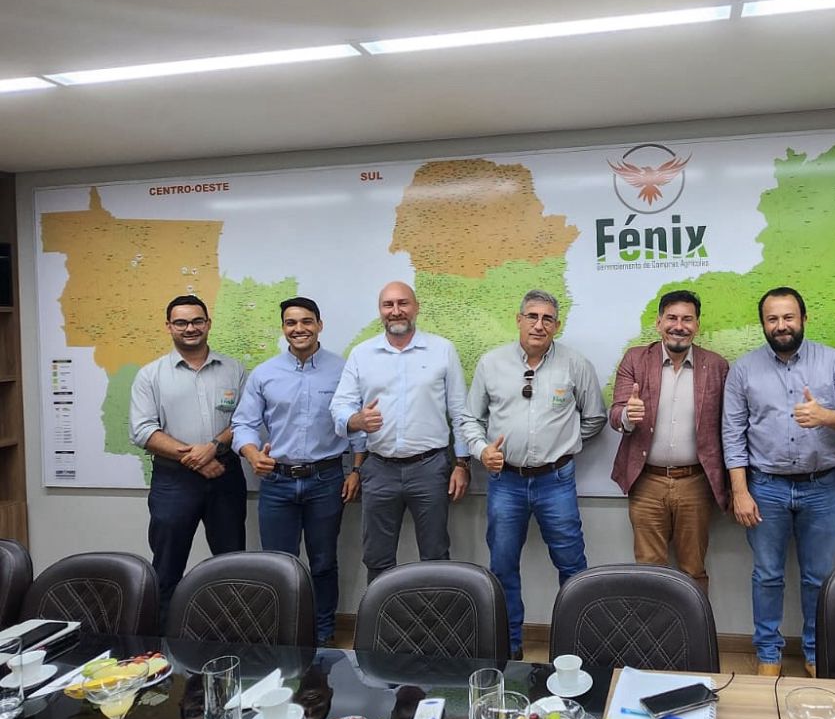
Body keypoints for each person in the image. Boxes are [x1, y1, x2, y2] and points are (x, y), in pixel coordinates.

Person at [722, 287, 835, 677]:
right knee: (767, 575)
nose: (781, 325)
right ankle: (768, 654)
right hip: (765, 487)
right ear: (763, 324)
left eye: (788, 317)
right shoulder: (744, 369)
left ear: (804, 318)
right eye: (772, 319)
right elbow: (732, 434)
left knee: (818, 578)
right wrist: (740, 491)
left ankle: (814, 651)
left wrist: (827, 417)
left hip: (820, 487)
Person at [461, 289, 606, 659]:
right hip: (505, 482)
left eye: (547, 319)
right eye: (532, 316)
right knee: (502, 566)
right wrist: (482, 451)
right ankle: (509, 647)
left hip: (556, 482)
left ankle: (575, 648)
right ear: (519, 319)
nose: (539, 325)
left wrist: (565, 443)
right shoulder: (491, 364)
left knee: (572, 566)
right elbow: (470, 419)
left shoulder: (575, 364)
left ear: (557, 325)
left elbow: (595, 418)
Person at [232, 297, 361, 645]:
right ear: (283, 328)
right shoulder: (265, 374)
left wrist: (356, 470)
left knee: (323, 562)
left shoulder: (343, 370)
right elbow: (243, 423)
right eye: (291, 323)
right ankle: (283, 634)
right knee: (278, 565)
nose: (299, 329)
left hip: (326, 480)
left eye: (306, 321)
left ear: (319, 325)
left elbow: (356, 426)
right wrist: (251, 453)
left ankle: (323, 634)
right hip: (277, 482)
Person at [329, 281, 470, 580]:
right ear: (380, 311)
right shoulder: (362, 354)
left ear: (416, 308)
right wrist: (356, 420)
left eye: (403, 303)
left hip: (430, 468)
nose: (395, 311)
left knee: (435, 555)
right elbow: (339, 406)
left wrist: (462, 463)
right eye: (388, 305)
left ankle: (435, 612)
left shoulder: (442, 350)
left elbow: (460, 411)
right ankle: (380, 612)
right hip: (379, 469)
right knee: (377, 558)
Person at [129, 294, 247, 621]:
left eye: (197, 321)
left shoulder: (234, 370)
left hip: (225, 475)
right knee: (167, 565)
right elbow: (143, 431)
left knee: (232, 561)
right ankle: (161, 638)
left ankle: (232, 632)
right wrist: (197, 458)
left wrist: (213, 447)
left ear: (208, 324)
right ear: (169, 327)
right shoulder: (150, 375)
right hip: (173, 481)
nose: (190, 328)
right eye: (181, 322)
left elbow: (244, 420)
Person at [609, 289, 729, 593]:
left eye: (687, 319)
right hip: (647, 482)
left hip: (696, 483)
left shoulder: (716, 365)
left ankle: (696, 625)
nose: (679, 326)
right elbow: (615, 414)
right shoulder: (636, 359)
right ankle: (654, 627)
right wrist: (628, 416)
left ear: (697, 325)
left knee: (693, 570)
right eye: (672, 318)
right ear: (659, 322)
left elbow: (729, 425)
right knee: (649, 570)